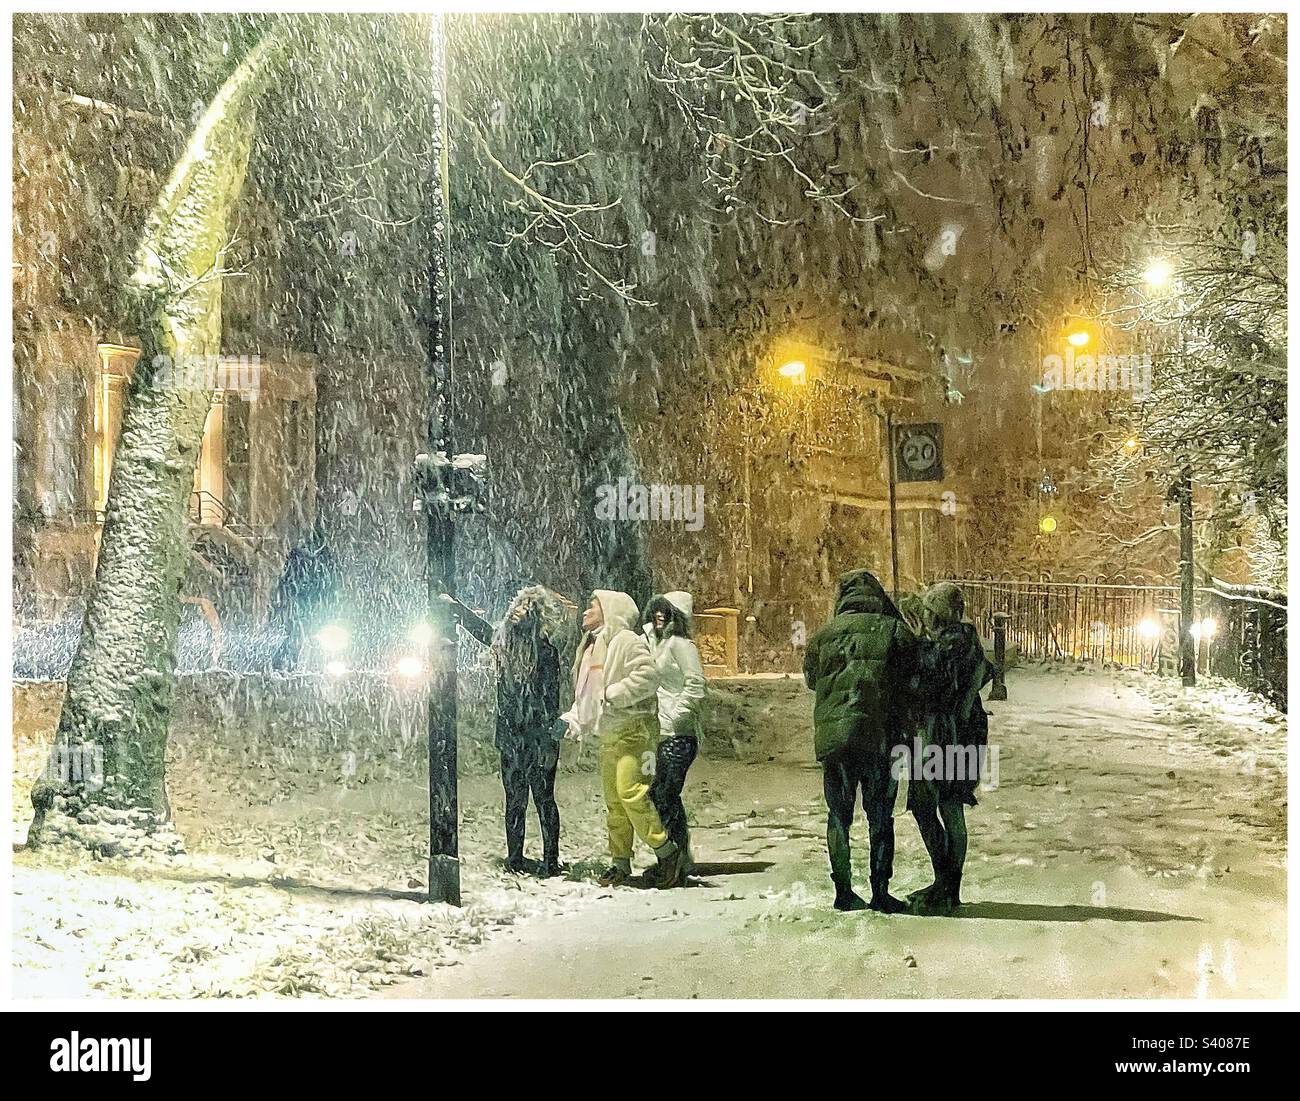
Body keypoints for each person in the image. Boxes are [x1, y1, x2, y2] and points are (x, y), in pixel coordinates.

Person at [804, 568, 919, 912]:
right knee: (880, 815)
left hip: (835, 740)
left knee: (838, 814)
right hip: (880, 739)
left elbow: (812, 678)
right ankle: (881, 891)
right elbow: (913, 679)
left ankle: (842, 890)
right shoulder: (896, 631)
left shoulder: (824, 634)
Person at [562, 589, 686, 889]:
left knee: (631, 793)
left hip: (635, 730)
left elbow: (648, 677)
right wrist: (574, 720)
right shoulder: (593, 647)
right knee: (615, 801)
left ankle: (668, 853)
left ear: (610, 610)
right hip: (611, 733)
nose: (585, 612)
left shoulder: (626, 642)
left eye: (592, 606)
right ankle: (620, 861)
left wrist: (613, 694)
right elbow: (588, 695)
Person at [906, 582, 991, 915]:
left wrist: (915, 642)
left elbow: (923, 681)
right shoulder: (966, 642)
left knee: (933, 808)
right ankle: (947, 884)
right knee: (947, 807)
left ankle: (948, 885)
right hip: (963, 735)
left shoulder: (947, 647)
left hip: (943, 738)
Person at [492, 585, 567, 876]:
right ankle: (515, 858)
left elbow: (551, 698)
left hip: (537, 737)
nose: (517, 610)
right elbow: (483, 630)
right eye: (517, 604)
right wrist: (456, 610)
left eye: (526, 607)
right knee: (514, 798)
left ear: (535, 615)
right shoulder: (504, 645)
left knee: (543, 797)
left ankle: (550, 861)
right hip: (511, 736)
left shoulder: (546, 652)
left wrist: (548, 739)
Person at [643, 592, 707, 874]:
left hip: (679, 735)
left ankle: (676, 856)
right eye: (656, 610)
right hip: (658, 732)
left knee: (665, 793)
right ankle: (675, 855)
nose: (659, 616)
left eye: (666, 612)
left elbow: (696, 684)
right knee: (658, 794)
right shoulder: (653, 643)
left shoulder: (681, 645)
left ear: (676, 616)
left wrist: (677, 715)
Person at [269, 526, 338, 671]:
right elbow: (332, 583)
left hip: (307, 602)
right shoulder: (322, 557)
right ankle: (288, 663)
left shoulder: (301, 555)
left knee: (298, 633)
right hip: (308, 602)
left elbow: (286, 579)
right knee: (300, 633)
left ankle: (286, 663)